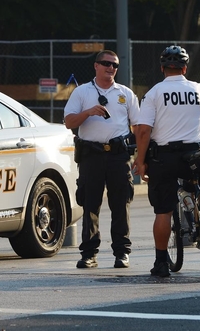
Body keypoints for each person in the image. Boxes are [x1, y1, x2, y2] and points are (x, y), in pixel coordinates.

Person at [133, 45, 200, 277]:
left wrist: (141, 159)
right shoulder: (199, 89)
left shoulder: (154, 93)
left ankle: (161, 262)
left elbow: (144, 131)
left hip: (165, 157)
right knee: (198, 188)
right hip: (194, 154)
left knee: (163, 211)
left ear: (162, 68)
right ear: (185, 68)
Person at [64, 50, 140, 269]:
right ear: (96, 66)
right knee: (90, 204)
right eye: (106, 63)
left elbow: (138, 126)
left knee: (121, 204)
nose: (111, 68)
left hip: (118, 155)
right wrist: (88, 113)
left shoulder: (125, 93)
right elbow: (69, 122)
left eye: (114, 65)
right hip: (91, 155)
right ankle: (89, 254)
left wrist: (140, 155)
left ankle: (122, 252)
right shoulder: (82, 92)